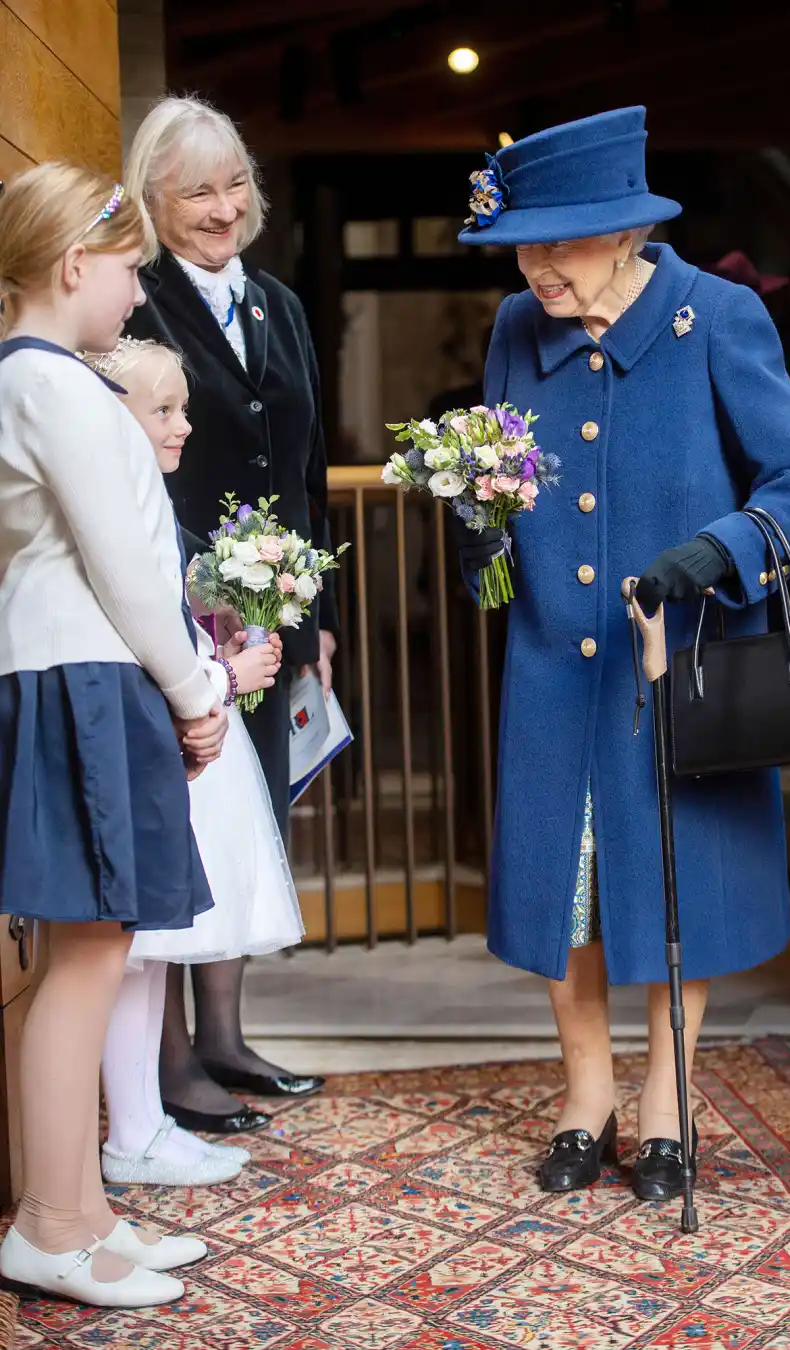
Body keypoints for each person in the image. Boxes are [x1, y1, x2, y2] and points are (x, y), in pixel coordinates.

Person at [456, 107, 790, 1199]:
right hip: (552, 666)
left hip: (676, 667)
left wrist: (711, 557)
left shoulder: (715, 317)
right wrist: (478, 524)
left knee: (676, 893)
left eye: (561, 244)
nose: (538, 268)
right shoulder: (513, 328)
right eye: (525, 247)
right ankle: (587, 1104)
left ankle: (668, 1111)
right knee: (565, 893)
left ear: (627, 235)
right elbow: (503, 472)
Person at [0, 164, 228, 1306]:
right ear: (72, 264)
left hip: (87, 671)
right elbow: (129, 568)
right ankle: (48, 1224)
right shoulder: (49, 385)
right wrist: (197, 692)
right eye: (132, 266)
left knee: (86, 960)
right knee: (85, 962)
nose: (139, 291)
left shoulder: (49, 381)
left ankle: (82, 1210)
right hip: (86, 674)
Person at [123, 94, 333, 1127]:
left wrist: (316, 613)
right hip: (177, 610)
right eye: (197, 190)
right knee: (185, 824)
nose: (222, 207)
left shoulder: (281, 305)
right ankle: (168, 1067)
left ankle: (227, 1039)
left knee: (256, 820)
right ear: (153, 201)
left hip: (276, 614)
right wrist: (204, 594)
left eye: (235, 183)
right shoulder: (133, 302)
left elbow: (306, 465)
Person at [85, 337, 306, 1185]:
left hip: (174, 732)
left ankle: (138, 1127)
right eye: (165, 410)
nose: (184, 425)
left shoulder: (150, 498)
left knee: (152, 954)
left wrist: (228, 631)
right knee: (131, 954)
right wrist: (224, 674)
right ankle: (128, 1130)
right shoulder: (115, 506)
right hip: (150, 737)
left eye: (183, 406)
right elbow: (127, 634)